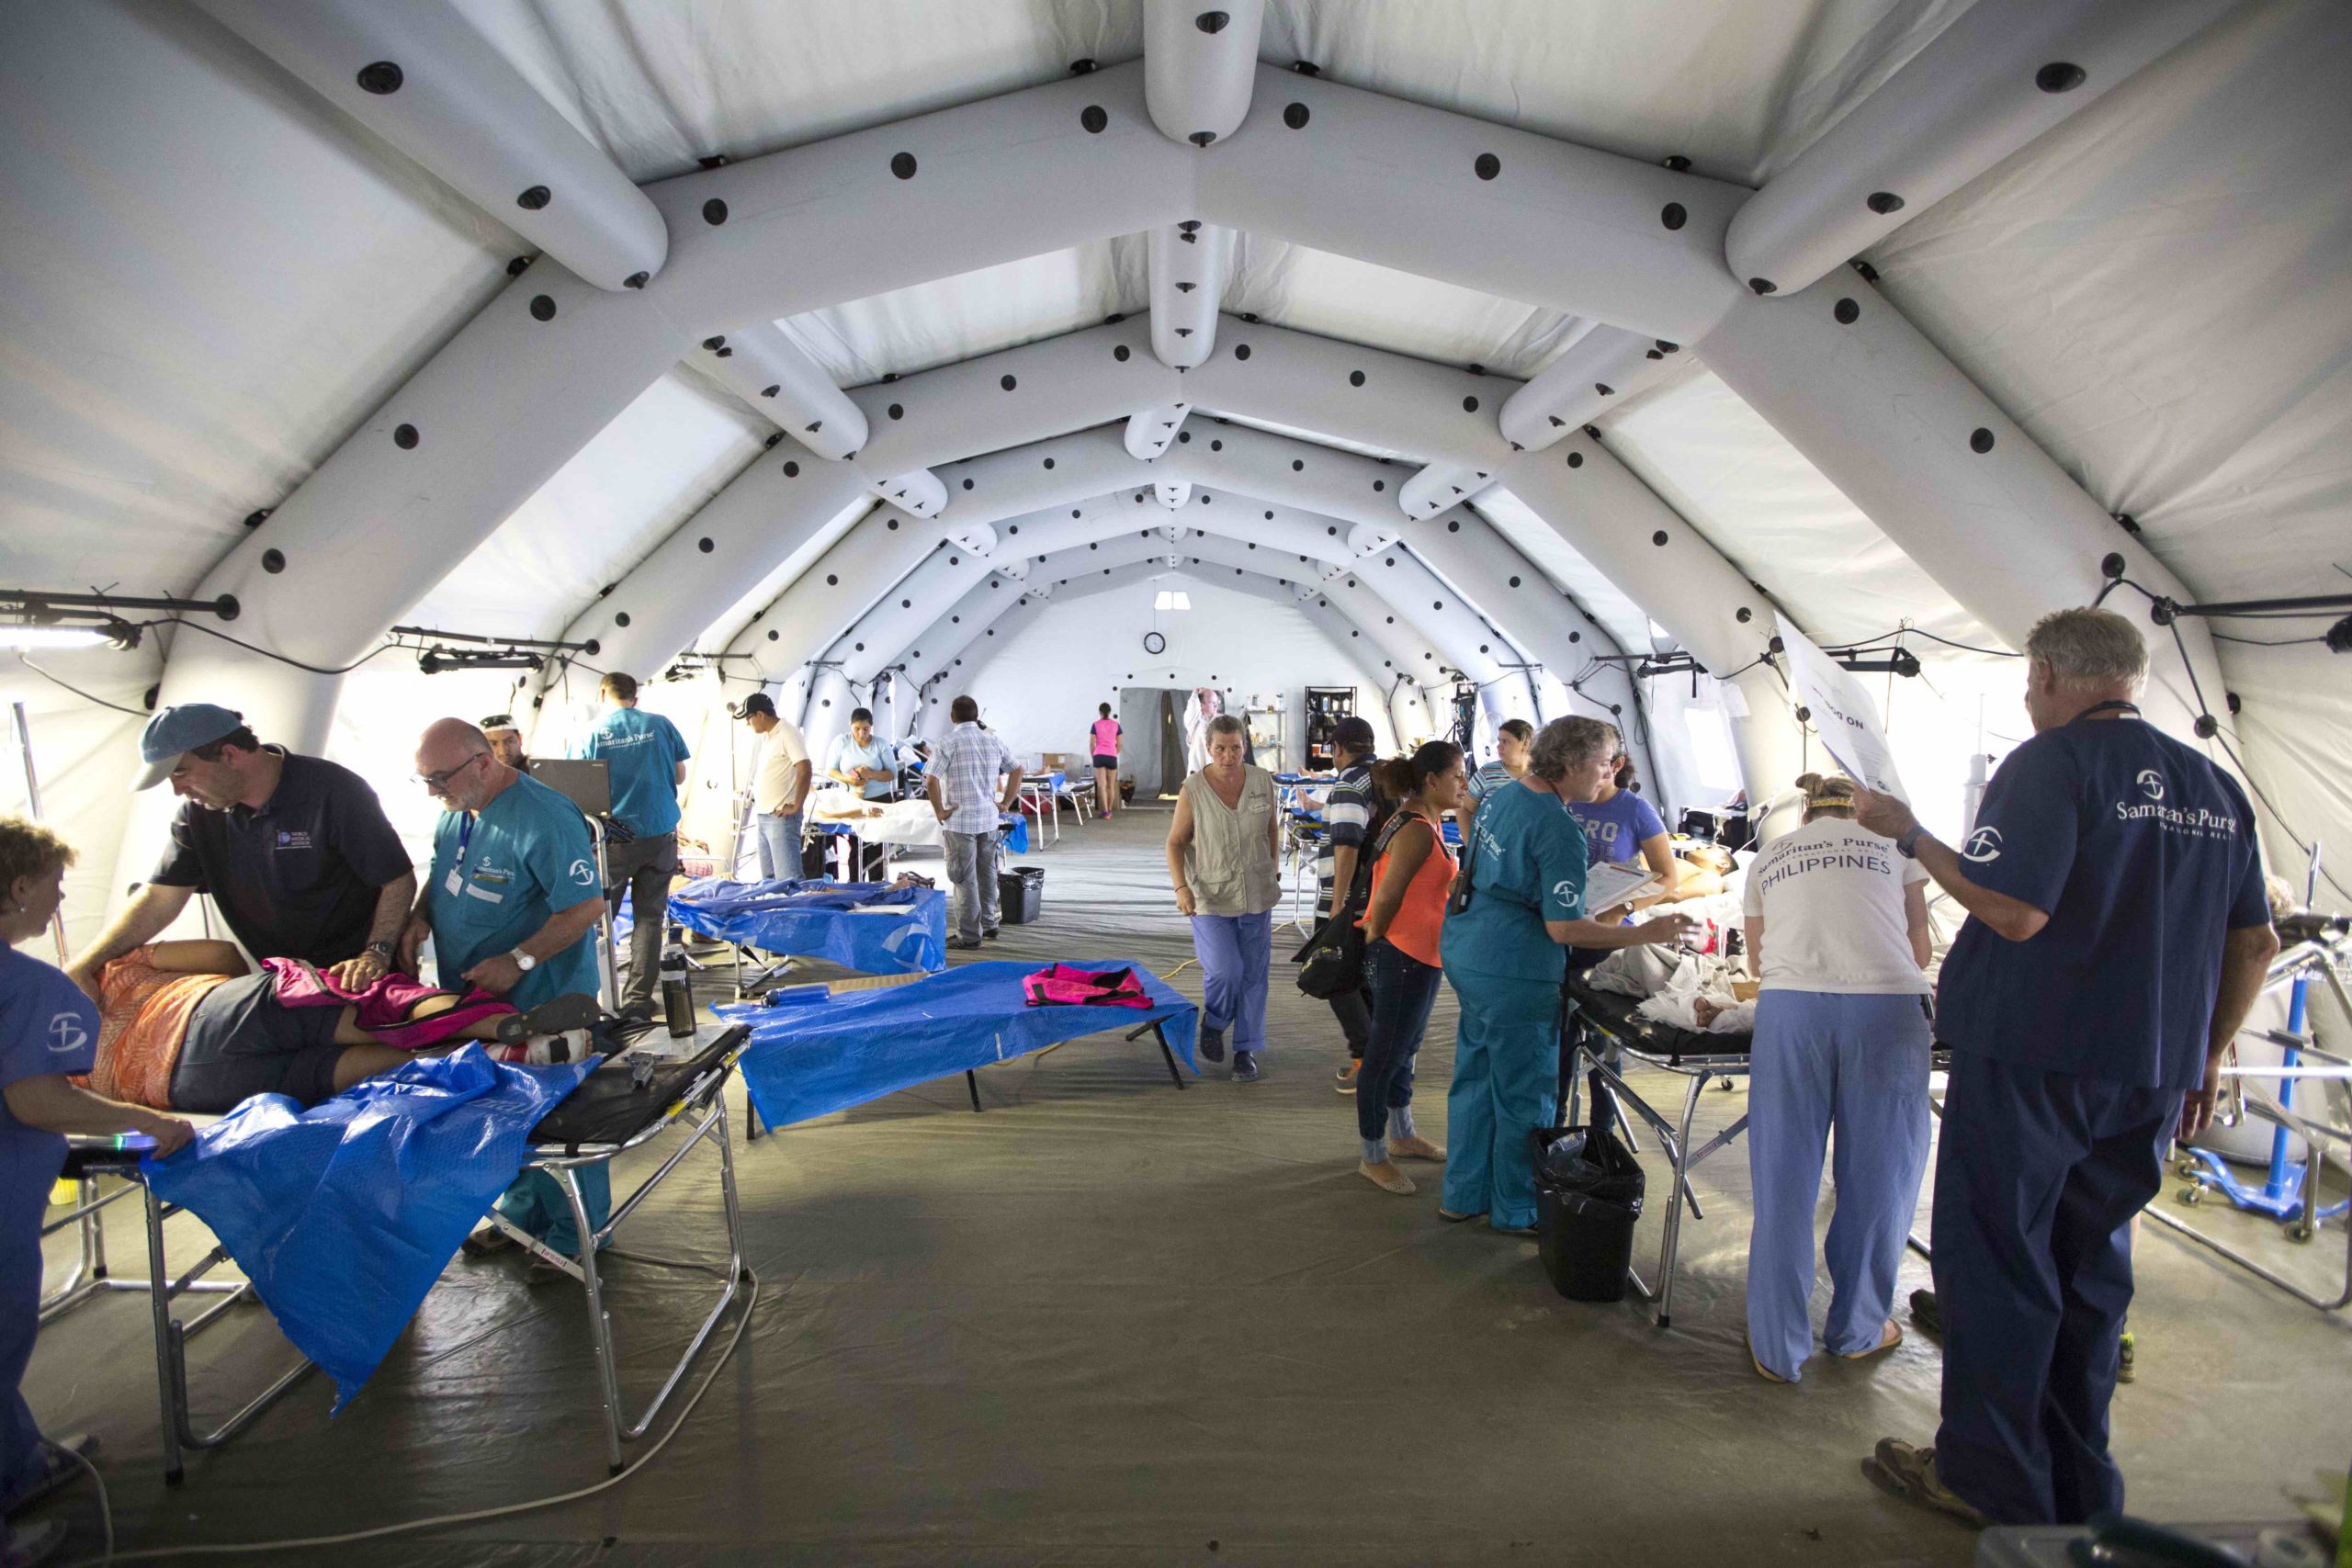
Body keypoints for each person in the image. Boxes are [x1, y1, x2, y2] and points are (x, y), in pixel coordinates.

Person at [1849, 608, 2277, 1528]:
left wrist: (1909, 833)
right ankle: (2080, 1486)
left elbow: (2012, 911)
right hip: (2150, 1072)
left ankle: (1986, 1478)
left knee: (2001, 1261)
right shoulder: (2213, 785)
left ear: (2044, 675)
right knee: (2089, 1273)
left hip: (2036, 1061)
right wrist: (2203, 1054)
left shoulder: (2048, 765)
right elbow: (2256, 940)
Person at [3, 819, 195, 1563]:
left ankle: (18, 1465)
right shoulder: (33, 990)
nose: (58, 898)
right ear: (19, 887)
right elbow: (38, 1101)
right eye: (53, 884)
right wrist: (144, 1123)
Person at [1439, 718, 1696, 1234]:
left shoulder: (1505, 796)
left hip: (1471, 945)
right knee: (1525, 1092)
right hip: (1516, 966)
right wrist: (1647, 933)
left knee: (1476, 1077)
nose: (1608, 774)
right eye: (1604, 763)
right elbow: (1562, 928)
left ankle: (1463, 1192)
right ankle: (1517, 1208)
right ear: (1574, 763)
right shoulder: (1558, 828)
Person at [1738, 773, 1934, 1383]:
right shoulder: (1900, 850)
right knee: (1881, 1175)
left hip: (1793, 1011)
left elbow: (1756, 959)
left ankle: (1777, 1345)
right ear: (1866, 812)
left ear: (1806, 816)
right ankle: (1858, 1328)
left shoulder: (1769, 855)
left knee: (1784, 1174)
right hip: (1887, 1010)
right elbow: (1920, 951)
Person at [404, 719, 610, 1259]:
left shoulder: (543, 816)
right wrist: (418, 917)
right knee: (501, 1115)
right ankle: (521, 1222)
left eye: (441, 778)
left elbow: (586, 906)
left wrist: (518, 960)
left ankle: (576, 1240)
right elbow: (443, 872)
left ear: (482, 761)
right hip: (475, 1005)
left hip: (543, 999)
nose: (433, 791)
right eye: (424, 780)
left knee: (559, 1122)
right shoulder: (457, 814)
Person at [65, 704, 415, 1000]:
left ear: (229, 755)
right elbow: (159, 898)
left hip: (363, 979)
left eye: (181, 773)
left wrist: (376, 954)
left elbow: (397, 880)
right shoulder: (197, 816)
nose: (177, 790)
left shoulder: (333, 791)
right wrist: (85, 965)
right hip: (287, 985)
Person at [82, 938, 594, 1115]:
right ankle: (500, 1025)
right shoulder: (99, 971)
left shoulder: (27, 1044)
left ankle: (507, 1057)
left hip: (178, 1087)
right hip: (206, 1010)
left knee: (338, 1073)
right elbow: (216, 953)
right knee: (376, 1008)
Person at [1352, 743, 1466, 1195]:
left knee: (1406, 1051)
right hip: (1402, 955)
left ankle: (1402, 1134)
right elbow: (1387, 896)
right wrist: (1378, 936)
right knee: (1384, 1057)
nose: (1464, 783)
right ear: (1431, 781)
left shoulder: (1431, 820)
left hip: (1422, 954)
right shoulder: (1417, 828)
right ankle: (1373, 1154)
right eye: (1457, 775)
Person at [1166, 715, 1282, 1082]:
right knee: (1225, 971)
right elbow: (1175, 842)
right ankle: (1214, 1021)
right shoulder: (1193, 789)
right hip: (1210, 896)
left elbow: (1271, 829)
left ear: (1243, 747)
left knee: (1253, 976)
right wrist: (1181, 887)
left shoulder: (1262, 781)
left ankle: (1245, 1049)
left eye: (1235, 748)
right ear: (1208, 748)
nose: (1228, 756)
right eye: (1220, 749)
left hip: (1257, 894)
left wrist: (1274, 867)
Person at [577, 673, 691, 1020]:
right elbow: (680, 775)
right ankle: (637, 1001)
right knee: (648, 917)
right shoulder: (660, 725)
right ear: (635, 696)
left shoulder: (592, 733)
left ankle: (588, 996)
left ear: (602, 693)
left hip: (613, 839)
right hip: (658, 835)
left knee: (596, 918)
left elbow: (578, 789)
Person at [1317, 716, 1383, 1094]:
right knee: (1365, 979)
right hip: (1380, 897)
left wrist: (1337, 904)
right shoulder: (1385, 778)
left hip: (1350, 899)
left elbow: (1347, 844)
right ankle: (1380, 1057)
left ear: (1338, 749)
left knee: (1336, 974)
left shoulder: (1349, 784)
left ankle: (1365, 1059)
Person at [927, 697, 1023, 950]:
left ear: (952, 716)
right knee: (987, 872)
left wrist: (939, 811)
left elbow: (931, 780)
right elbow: (1017, 770)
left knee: (963, 878)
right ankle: (990, 924)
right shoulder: (993, 740)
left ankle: (969, 935)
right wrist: (1007, 803)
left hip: (959, 822)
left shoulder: (947, 743)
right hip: (988, 819)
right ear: (976, 715)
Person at [1567, 749, 1680, 917]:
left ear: (1616, 765)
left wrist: (1623, 909)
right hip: (1563, 903)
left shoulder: (1637, 810)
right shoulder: (1566, 801)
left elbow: (1668, 878)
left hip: (1607, 912)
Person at [739, 693, 810, 883]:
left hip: (781, 816)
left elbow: (804, 768)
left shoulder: (787, 733)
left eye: (749, 718)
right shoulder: (768, 737)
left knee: (789, 879)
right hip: (764, 815)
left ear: (760, 715)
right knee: (769, 880)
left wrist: (796, 806)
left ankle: (796, 912)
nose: (749, 723)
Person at [1459, 717, 1532, 829]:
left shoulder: (1541, 778)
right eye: (1499, 741)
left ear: (1525, 744)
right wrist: (1470, 843)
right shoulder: (1488, 773)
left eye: (1505, 742)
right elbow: (1464, 809)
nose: (1499, 746)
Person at [827, 708, 898, 803]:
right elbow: (831, 770)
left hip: (880, 797)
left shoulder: (881, 744)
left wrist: (871, 774)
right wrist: (849, 780)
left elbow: (893, 774)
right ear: (850, 724)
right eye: (857, 729)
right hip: (848, 797)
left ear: (871, 726)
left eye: (866, 729)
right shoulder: (841, 742)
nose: (861, 734)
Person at [1087, 703, 1123, 822]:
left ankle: (1105, 811)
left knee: (1101, 785)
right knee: (1111, 785)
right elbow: (1120, 744)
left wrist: (1094, 755)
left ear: (1100, 712)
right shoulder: (1116, 725)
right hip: (1112, 755)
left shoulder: (1095, 725)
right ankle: (1110, 812)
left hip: (1099, 755)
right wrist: (1114, 753)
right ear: (1110, 711)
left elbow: (1092, 744)